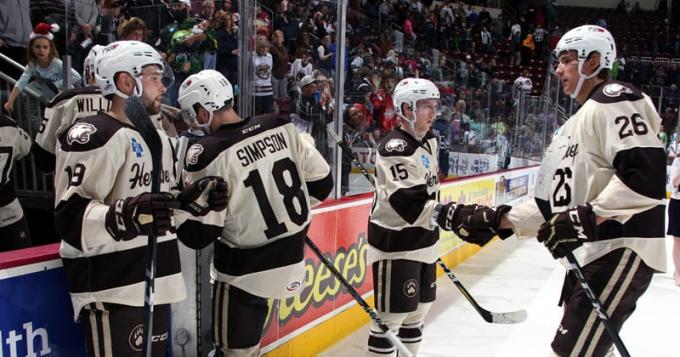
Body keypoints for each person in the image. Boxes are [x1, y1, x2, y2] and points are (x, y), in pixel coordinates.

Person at [469, 25, 667, 356]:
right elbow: (551, 207)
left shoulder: (615, 98)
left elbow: (644, 178)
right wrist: (495, 220)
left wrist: (584, 217)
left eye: (567, 59)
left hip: (619, 247)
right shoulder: (572, 125)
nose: (558, 68)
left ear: (592, 62)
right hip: (594, 252)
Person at [53, 40, 227, 356]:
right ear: (126, 81)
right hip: (115, 286)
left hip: (156, 278)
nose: (163, 87)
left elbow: (155, 212)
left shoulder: (157, 137)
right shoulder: (95, 134)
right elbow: (69, 215)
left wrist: (189, 204)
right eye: (154, 77)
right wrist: (125, 216)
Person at [176, 70, 333, 356]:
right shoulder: (278, 124)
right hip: (291, 258)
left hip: (243, 272)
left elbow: (198, 235)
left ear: (202, 110)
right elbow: (323, 185)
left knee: (234, 351)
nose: (192, 123)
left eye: (190, 114)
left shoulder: (207, 152)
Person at [366, 77, 505, 356]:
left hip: (425, 239)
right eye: (426, 106)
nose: (434, 113)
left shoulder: (429, 140)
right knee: (390, 320)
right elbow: (411, 205)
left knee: (418, 313)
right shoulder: (396, 149)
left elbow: (429, 194)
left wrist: (445, 218)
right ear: (406, 109)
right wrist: (454, 216)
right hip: (397, 244)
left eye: (434, 105)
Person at [34, 45, 109, 173]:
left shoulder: (64, 100)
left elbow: (44, 158)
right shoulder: (130, 102)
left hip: (73, 182)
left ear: (87, 71)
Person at [3, 23, 82, 113]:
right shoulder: (32, 65)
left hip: (65, 97)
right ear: (32, 48)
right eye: (37, 47)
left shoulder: (57, 63)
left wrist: (58, 84)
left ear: (50, 49)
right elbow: (20, 83)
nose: (41, 50)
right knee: (29, 89)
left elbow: (77, 76)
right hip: (50, 99)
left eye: (45, 47)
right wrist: (10, 101)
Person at [0, 114, 32, 251]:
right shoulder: (8, 125)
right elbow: (25, 148)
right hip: (9, 211)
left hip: (9, 211)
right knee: (23, 266)